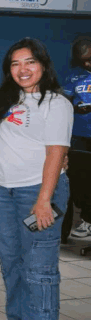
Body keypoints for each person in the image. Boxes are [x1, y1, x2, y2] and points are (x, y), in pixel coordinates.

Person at [0, 38, 72, 320]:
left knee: (39, 266)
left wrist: (43, 200)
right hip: (3, 193)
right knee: (11, 260)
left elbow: (55, 154)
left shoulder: (56, 103)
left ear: (43, 65)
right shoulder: (6, 99)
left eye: (29, 62)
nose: (22, 70)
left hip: (37, 193)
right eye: (15, 64)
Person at [61, 36, 91, 242]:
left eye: (90, 59)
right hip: (78, 136)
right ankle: (68, 227)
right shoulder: (73, 77)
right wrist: (75, 108)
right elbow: (64, 103)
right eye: (83, 61)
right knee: (76, 181)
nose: (87, 64)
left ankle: (88, 220)